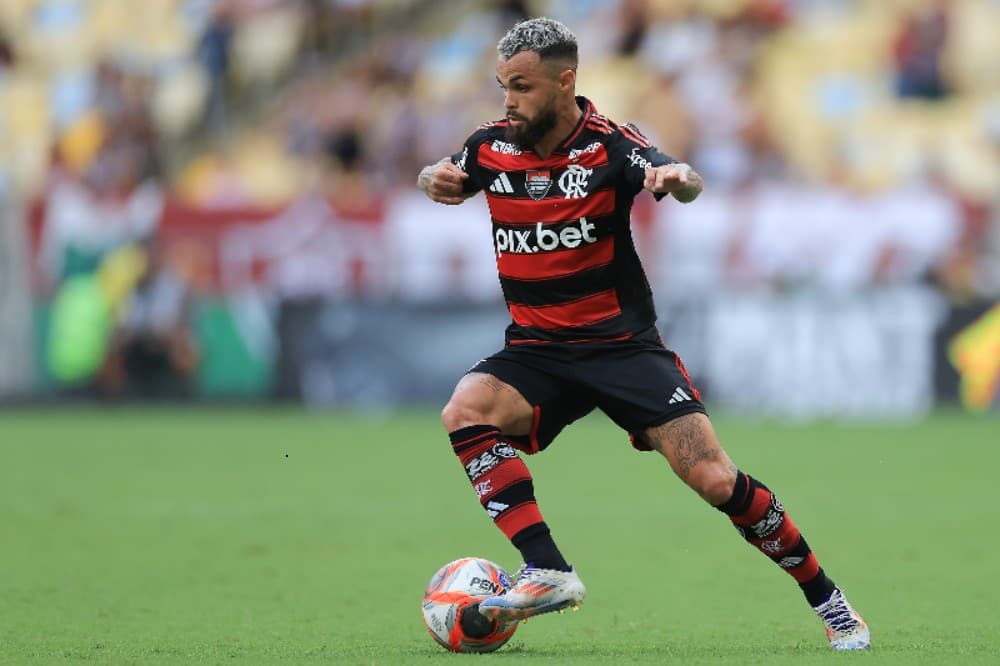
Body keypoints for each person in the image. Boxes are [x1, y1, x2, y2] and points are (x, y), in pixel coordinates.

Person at [416, 17, 869, 651]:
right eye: (502, 86)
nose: (508, 101)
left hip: (621, 348)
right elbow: (448, 174)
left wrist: (679, 181)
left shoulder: (608, 144)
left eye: (520, 86)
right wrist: (430, 178)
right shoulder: (489, 146)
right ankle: (548, 568)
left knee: (715, 479)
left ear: (564, 81)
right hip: (538, 349)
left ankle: (829, 599)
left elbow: (672, 171)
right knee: (464, 411)